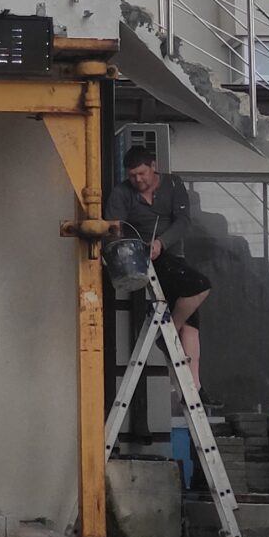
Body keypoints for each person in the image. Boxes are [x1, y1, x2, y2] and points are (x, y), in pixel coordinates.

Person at [105, 146, 212, 402]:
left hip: (172, 255)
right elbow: (112, 229)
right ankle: (170, 333)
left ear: (153, 167)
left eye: (142, 173)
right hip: (144, 259)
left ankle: (194, 387)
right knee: (200, 285)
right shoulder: (121, 193)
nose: (138, 179)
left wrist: (161, 243)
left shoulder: (173, 184)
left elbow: (183, 221)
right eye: (132, 175)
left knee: (192, 323)